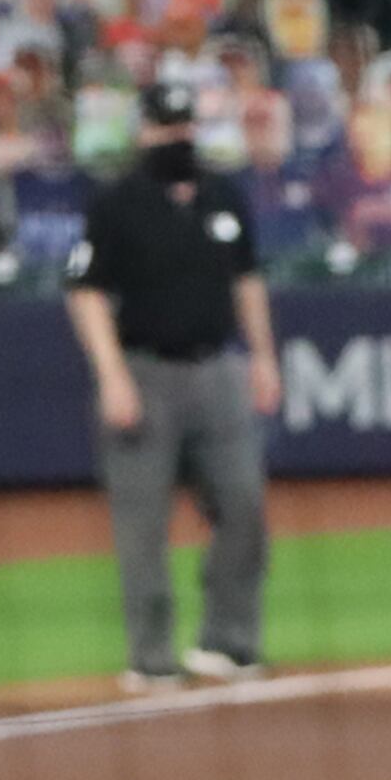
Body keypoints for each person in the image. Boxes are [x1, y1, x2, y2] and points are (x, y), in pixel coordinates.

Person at [66, 80, 281, 691]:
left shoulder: (223, 195)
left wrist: (263, 357)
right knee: (142, 526)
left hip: (220, 372)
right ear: (143, 133)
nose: (176, 136)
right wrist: (111, 376)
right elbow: (84, 292)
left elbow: (247, 281)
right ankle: (152, 656)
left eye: (184, 126)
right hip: (145, 372)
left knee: (244, 506)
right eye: (165, 126)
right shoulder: (115, 203)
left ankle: (229, 641)